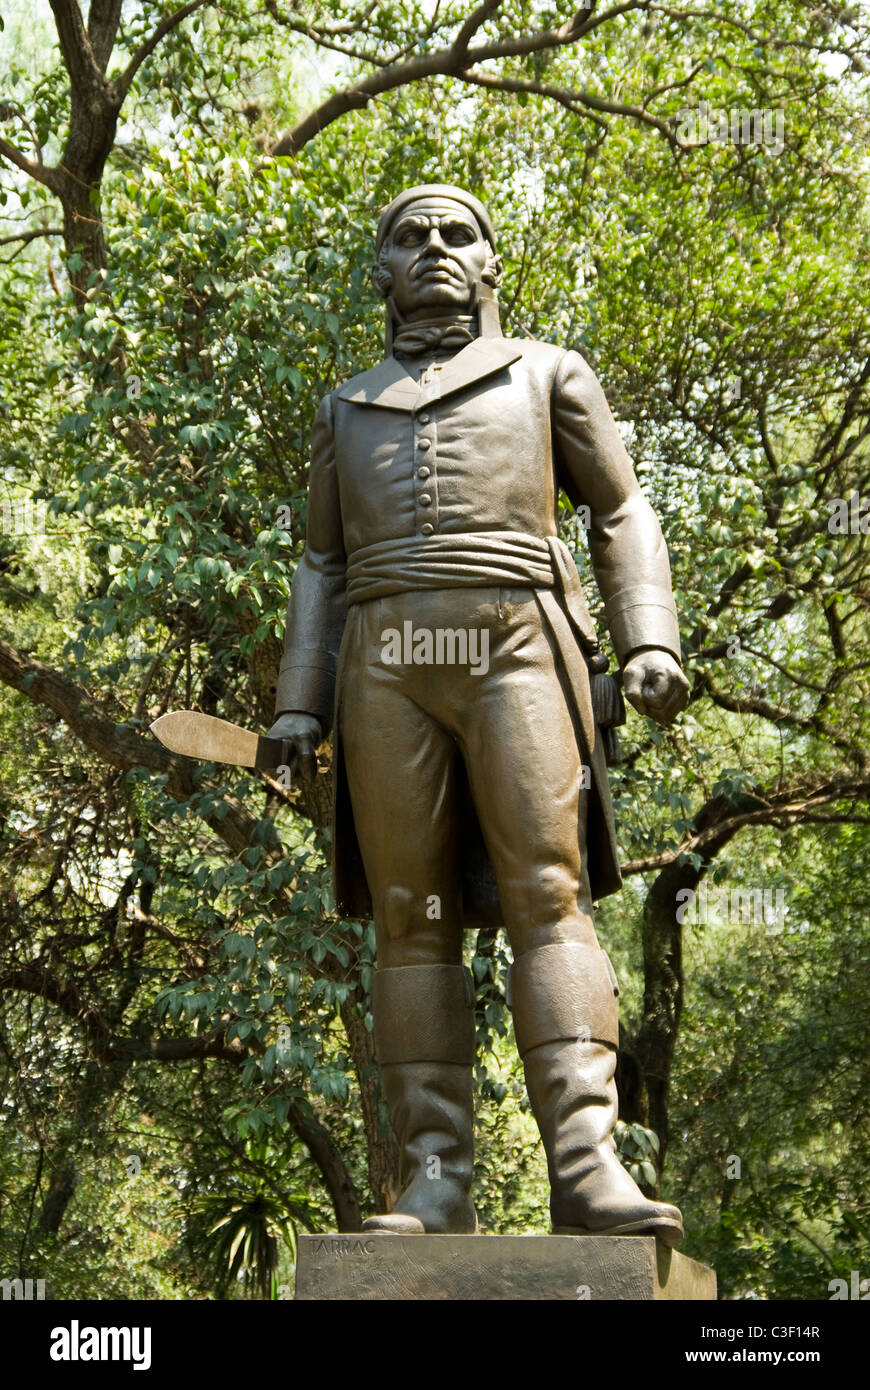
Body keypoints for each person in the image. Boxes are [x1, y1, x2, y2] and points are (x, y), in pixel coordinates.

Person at [267, 185, 689, 1242]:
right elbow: (321, 560)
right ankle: (435, 1176)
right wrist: (295, 707)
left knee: (549, 892)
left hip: (515, 641)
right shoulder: (339, 406)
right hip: (385, 660)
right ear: (382, 274)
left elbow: (623, 508)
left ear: (493, 261)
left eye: (459, 233)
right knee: (411, 914)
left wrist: (648, 639)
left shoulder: (550, 374)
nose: (437, 249)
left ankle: (588, 1165)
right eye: (410, 238)